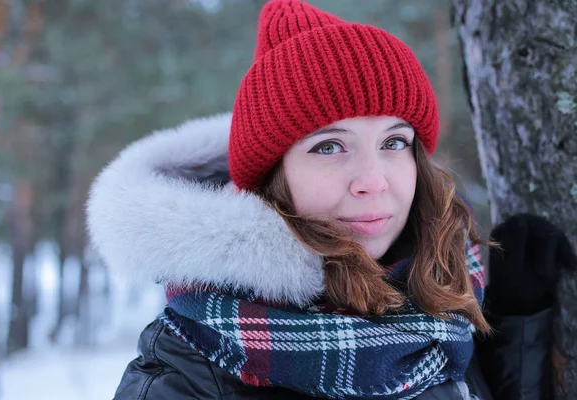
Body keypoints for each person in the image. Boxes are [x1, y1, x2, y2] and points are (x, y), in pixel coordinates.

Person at [86, 1, 575, 398]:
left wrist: (516, 327)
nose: (372, 181)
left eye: (393, 142)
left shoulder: (441, 300)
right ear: (270, 178)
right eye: (328, 146)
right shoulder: (186, 375)